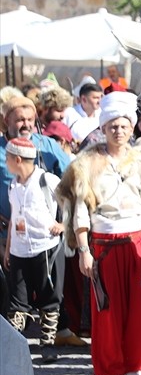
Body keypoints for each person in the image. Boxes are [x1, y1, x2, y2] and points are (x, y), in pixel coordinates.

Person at [57, 92, 141, 375]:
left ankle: (136, 368)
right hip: (104, 246)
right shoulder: (86, 164)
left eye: (124, 125)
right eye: (113, 125)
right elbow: (80, 211)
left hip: (138, 242)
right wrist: (84, 251)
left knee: (140, 310)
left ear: (131, 128)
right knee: (107, 312)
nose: (119, 131)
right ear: (103, 127)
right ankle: (110, 372)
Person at [4, 137, 64, 363]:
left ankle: (47, 344)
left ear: (18, 159)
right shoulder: (13, 184)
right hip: (19, 249)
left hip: (45, 247)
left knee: (49, 297)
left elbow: (72, 203)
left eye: (8, 158)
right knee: (18, 301)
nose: (6, 162)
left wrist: (63, 225)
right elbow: (14, 218)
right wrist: (8, 249)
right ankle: (14, 346)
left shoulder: (47, 180)